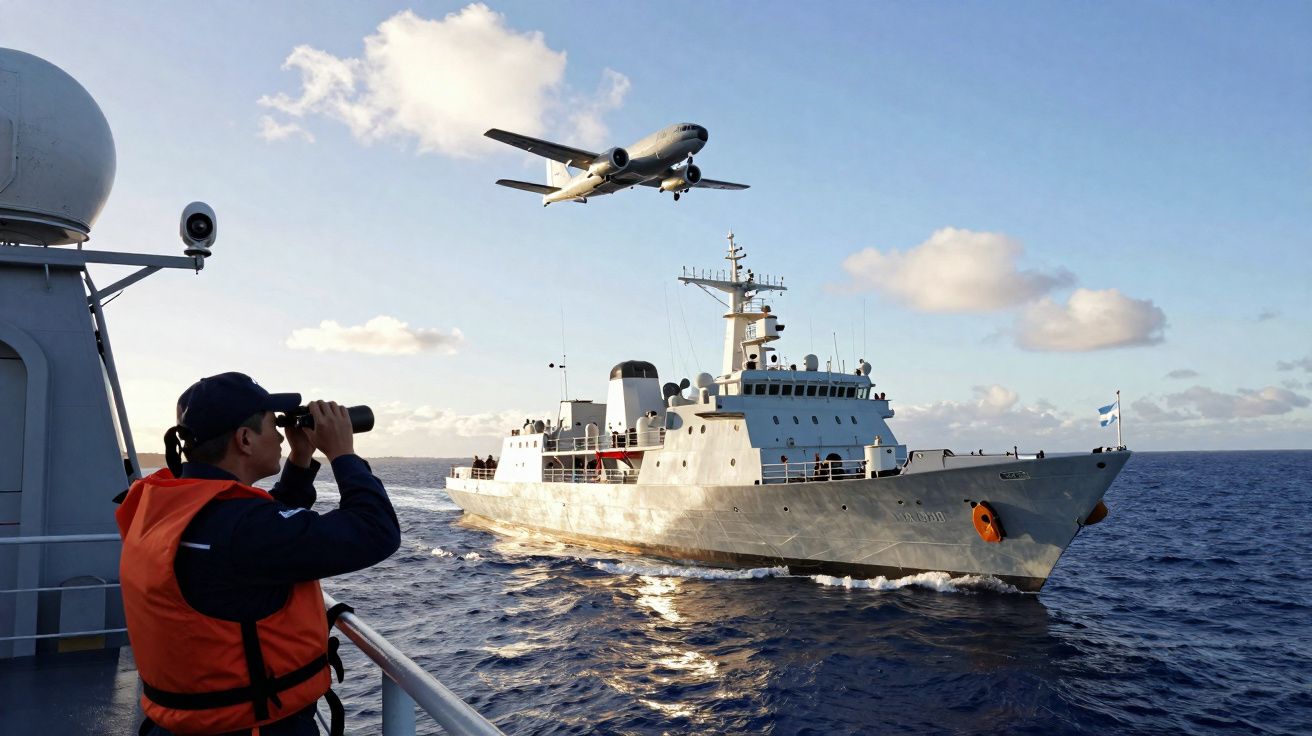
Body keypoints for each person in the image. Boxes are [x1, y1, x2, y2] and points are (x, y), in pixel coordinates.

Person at [115, 372, 401, 736]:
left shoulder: (168, 504)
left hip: (184, 724)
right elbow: (376, 532)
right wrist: (343, 453)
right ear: (245, 439)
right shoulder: (242, 530)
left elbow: (266, 535)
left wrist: (299, 458)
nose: (281, 435)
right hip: (254, 728)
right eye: (273, 425)